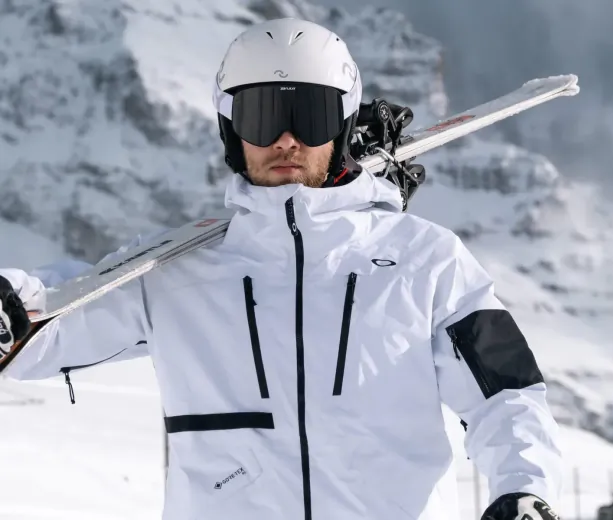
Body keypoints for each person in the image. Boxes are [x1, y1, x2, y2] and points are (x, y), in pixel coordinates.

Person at [0, 18, 563, 520]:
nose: (287, 140)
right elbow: (44, 329)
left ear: (341, 125)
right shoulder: (174, 273)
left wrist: (524, 487)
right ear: (230, 128)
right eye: (264, 116)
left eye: (311, 117)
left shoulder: (425, 259)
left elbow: (505, 392)